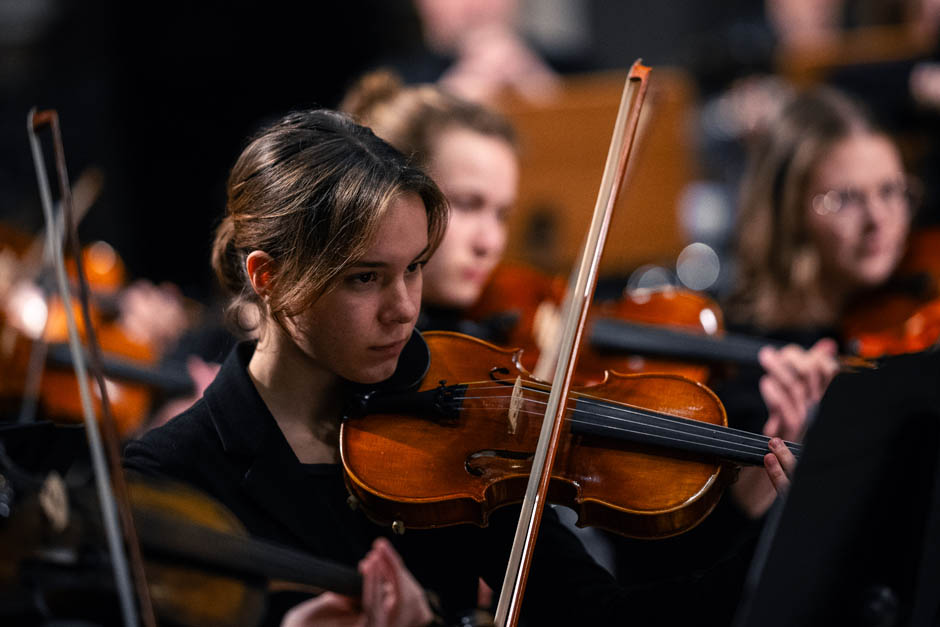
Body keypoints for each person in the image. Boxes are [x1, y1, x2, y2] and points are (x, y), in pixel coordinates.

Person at [122, 107, 796, 626]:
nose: (405, 308)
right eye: (365, 279)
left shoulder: (451, 432)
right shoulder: (167, 476)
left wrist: (784, 537)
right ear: (268, 278)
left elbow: (603, 617)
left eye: (415, 269)